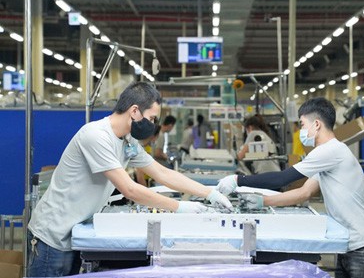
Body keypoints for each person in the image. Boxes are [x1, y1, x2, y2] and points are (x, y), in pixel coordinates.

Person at [27, 81, 233, 277]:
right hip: (51, 237)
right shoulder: (96, 136)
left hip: (72, 234)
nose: (153, 124)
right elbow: (129, 189)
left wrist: (210, 193)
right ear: (134, 111)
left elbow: (162, 174)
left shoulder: (128, 141)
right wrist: (179, 207)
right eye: (152, 118)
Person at [216, 97, 364, 278]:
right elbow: (304, 192)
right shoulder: (328, 155)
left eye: (302, 124)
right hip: (350, 244)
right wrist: (263, 201)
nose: (301, 131)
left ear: (316, 124)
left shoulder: (330, 151)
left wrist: (239, 180)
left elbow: (282, 179)